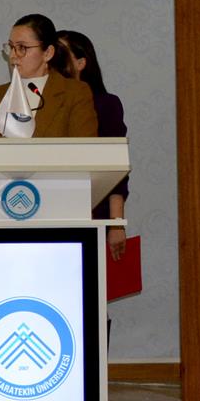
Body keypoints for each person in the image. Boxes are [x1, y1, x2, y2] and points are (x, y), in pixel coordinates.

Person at [60, 30, 130, 259]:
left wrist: (116, 224)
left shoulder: (105, 104)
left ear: (81, 63)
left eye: (61, 54)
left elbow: (116, 169)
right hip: (52, 211)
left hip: (93, 214)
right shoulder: (43, 104)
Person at [0, 13, 99, 139]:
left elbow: (84, 146)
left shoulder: (74, 93)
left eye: (22, 47)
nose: (12, 55)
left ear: (48, 53)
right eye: (11, 47)